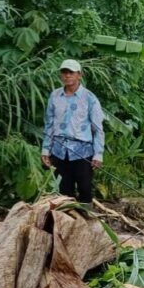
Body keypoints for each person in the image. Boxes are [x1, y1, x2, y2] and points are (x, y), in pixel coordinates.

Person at [41, 60, 105, 205]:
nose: (67, 76)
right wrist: (45, 149)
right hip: (59, 151)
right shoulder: (55, 96)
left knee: (85, 189)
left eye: (71, 72)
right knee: (63, 192)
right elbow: (49, 124)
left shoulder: (89, 98)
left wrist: (98, 154)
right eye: (64, 72)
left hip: (82, 152)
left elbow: (98, 128)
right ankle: (67, 223)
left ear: (79, 75)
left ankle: (86, 221)